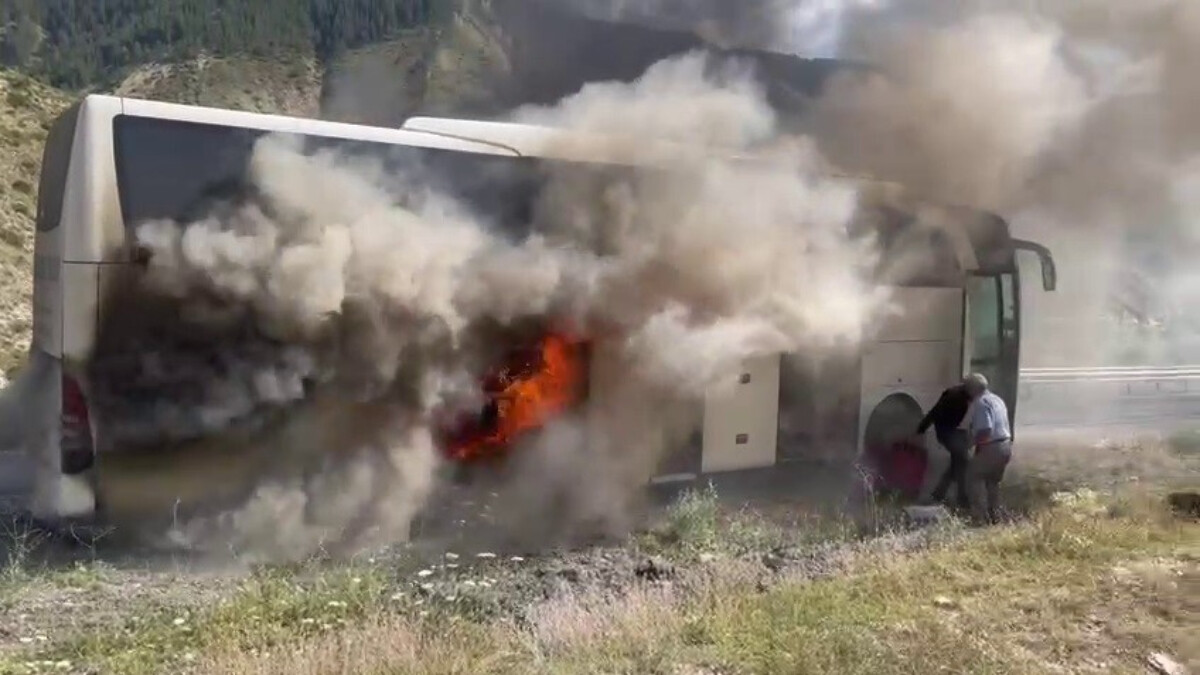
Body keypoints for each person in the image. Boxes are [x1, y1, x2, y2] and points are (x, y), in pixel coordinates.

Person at [913, 379, 973, 509]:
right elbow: (935, 412)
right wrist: (921, 429)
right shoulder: (953, 395)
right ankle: (960, 498)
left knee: (958, 462)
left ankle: (940, 495)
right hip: (946, 431)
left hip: (956, 431)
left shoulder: (969, 396)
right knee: (961, 460)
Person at [963, 372, 1013, 524]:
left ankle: (979, 518)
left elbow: (985, 429)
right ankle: (996, 517)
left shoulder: (981, 403)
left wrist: (971, 444)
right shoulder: (997, 399)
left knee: (973, 476)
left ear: (972, 389)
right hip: (1005, 446)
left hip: (992, 447)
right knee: (993, 483)